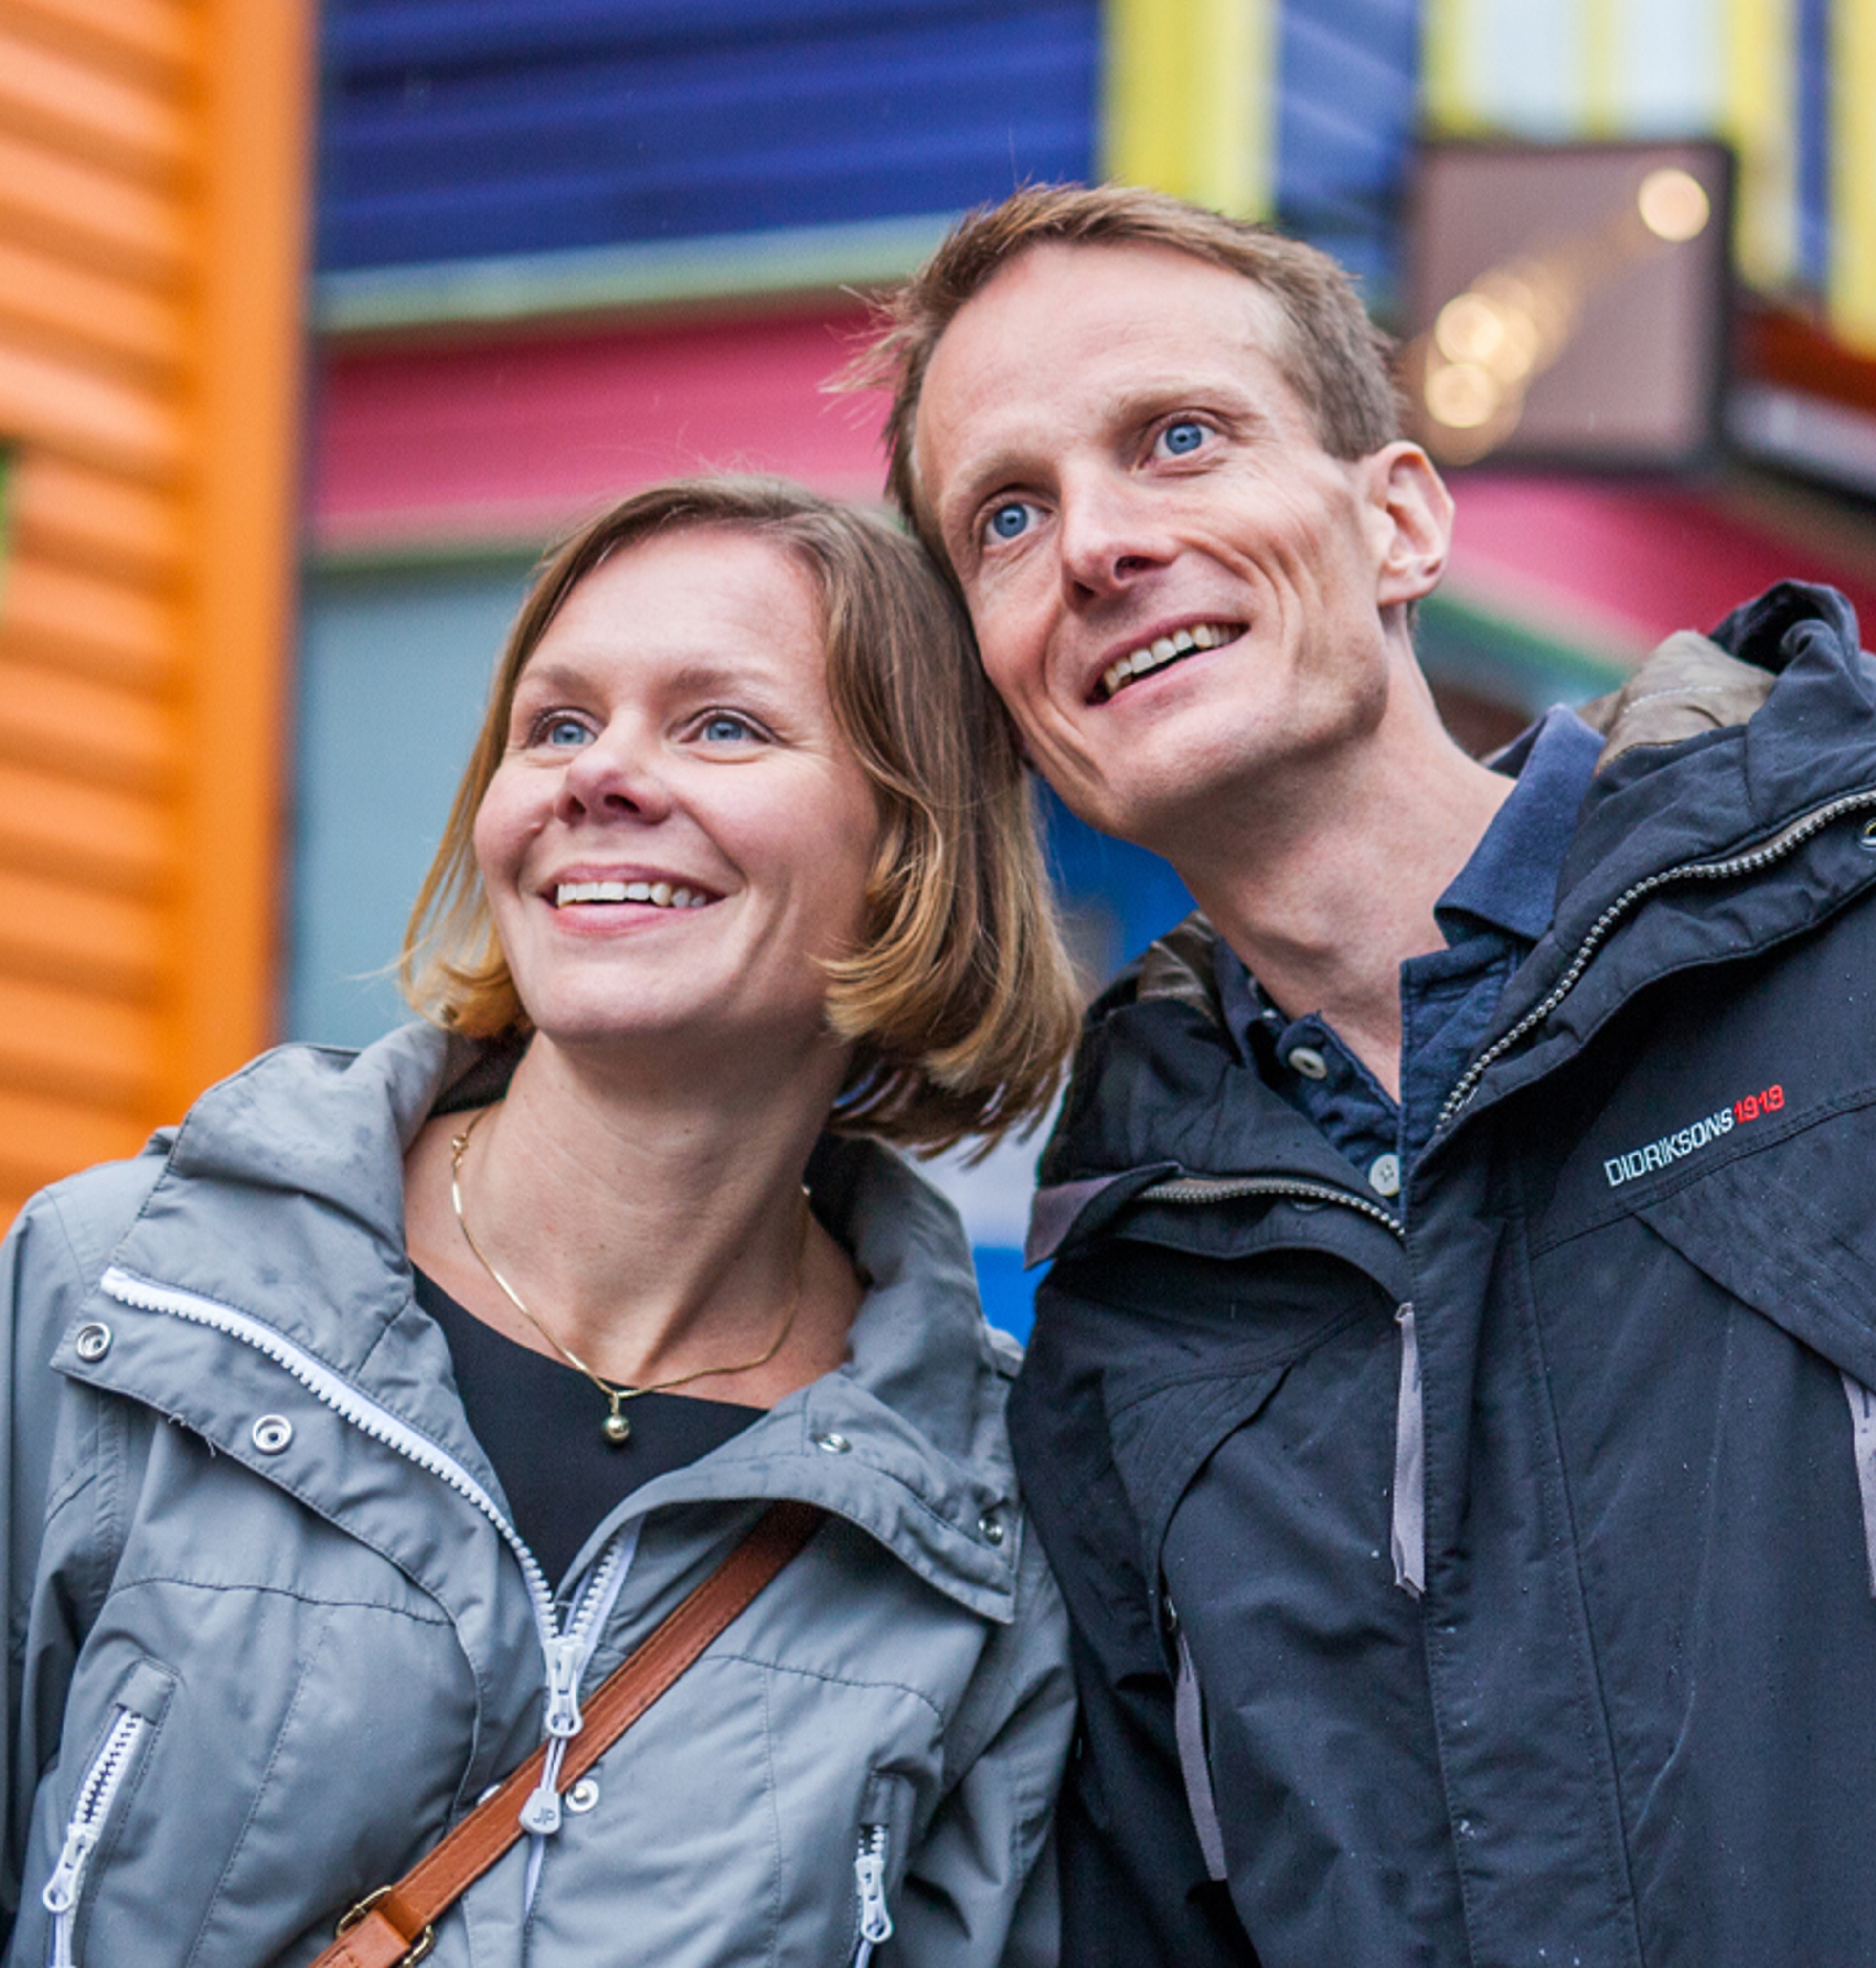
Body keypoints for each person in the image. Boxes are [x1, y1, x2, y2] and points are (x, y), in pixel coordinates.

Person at [853, 179, 1876, 1968]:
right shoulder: (1128, 1292)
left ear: (1399, 519)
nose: (1097, 542)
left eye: (1179, 439)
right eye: (1007, 515)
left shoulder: (1842, 948)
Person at [0, 474, 1079, 1968]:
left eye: (722, 725)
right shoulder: (123, 1298)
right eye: (557, 726)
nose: (603, 777)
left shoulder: (983, 1516)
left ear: (912, 852)